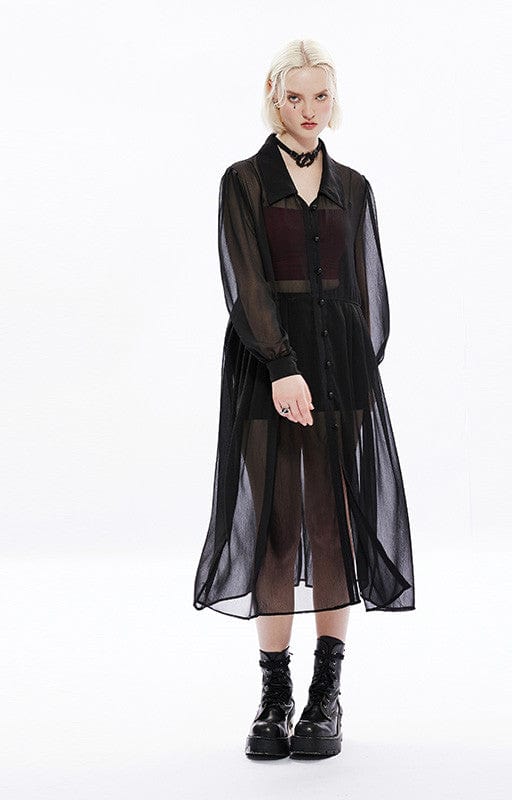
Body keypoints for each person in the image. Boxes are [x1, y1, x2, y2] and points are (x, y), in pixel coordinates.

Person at [193, 39, 416, 759]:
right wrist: (283, 365)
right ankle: (274, 695)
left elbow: (366, 288)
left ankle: (326, 695)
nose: (309, 110)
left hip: (340, 370)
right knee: (276, 526)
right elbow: (245, 283)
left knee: (332, 526)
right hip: (268, 368)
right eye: (296, 97)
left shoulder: (354, 184)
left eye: (321, 96)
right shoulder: (244, 181)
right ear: (274, 94)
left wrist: (354, 372)